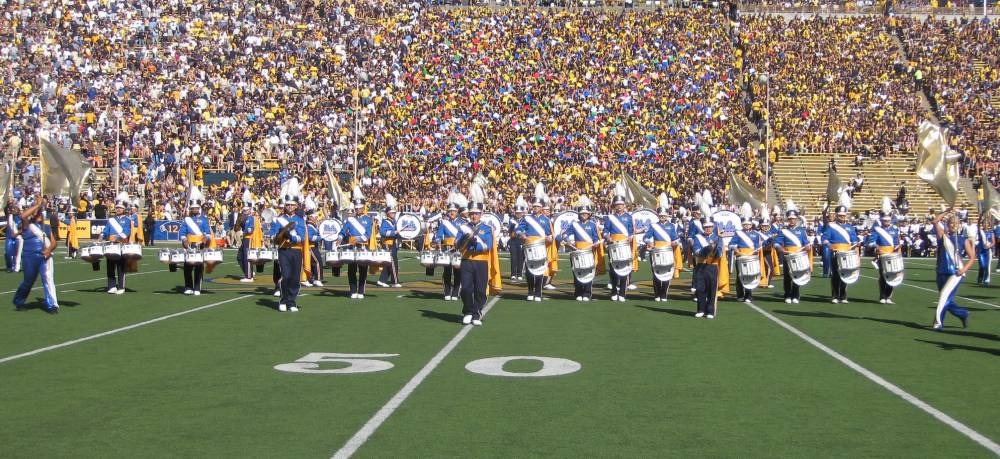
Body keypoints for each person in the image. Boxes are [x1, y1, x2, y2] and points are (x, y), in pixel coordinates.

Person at [13, 197, 58, 314]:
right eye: (37, 213)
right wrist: (38, 205)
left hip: (44, 257)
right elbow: (23, 216)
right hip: (29, 258)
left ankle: (52, 305)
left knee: (48, 279)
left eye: (40, 213)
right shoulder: (27, 225)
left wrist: (49, 249)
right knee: (28, 281)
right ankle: (19, 301)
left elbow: (54, 243)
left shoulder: (47, 228)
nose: (39, 215)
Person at [457, 201, 498, 326]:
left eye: (477, 213)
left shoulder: (487, 228)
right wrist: (463, 242)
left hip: (481, 262)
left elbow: (488, 246)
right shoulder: (463, 227)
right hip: (467, 261)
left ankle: (476, 313)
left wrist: (473, 244)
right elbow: (457, 243)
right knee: (466, 289)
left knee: (480, 290)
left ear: (481, 214)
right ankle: (468, 311)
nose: (474, 216)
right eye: (472, 214)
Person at [931, 211, 975, 330]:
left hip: (955, 273)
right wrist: (946, 211)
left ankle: (938, 323)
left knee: (944, 297)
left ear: (960, 225)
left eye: (956, 223)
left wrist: (963, 269)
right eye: (951, 222)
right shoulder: (943, 236)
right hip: (941, 271)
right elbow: (935, 221)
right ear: (948, 224)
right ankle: (962, 313)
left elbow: (972, 258)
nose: (954, 225)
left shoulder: (963, 240)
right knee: (944, 298)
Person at [271, 179, 307, 312]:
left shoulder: (299, 220)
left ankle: (292, 302)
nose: (290, 207)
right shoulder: (278, 219)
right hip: (284, 250)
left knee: (295, 277)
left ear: (296, 206)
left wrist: (291, 236)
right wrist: (279, 235)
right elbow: (273, 235)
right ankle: (284, 300)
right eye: (288, 205)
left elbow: (302, 237)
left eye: (292, 205)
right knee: (285, 276)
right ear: (284, 205)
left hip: (296, 251)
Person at [559, 197, 600, 302]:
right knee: (577, 271)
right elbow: (565, 234)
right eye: (582, 213)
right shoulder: (574, 224)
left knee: (588, 272)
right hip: (577, 251)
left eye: (586, 213)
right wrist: (568, 241)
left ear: (589, 214)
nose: (584, 215)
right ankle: (578, 292)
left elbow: (596, 238)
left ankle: (587, 293)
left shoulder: (592, 225)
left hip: (588, 251)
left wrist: (595, 244)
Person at [97, 192, 134, 294]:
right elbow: (106, 231)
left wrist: (117, 238)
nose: (118, 209)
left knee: (120, 267)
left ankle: (121, 287)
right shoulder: (111, 220)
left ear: (124, 209)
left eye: (120, 208)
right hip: (110, 246)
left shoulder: (127, 220)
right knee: (110, 266)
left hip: (121, 246)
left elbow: (126, 232)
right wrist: (101, 237)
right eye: (117, 207)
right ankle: (112, 286)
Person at [823, 205, 860, 304]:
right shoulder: (831, 226)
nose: (842, 217)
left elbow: (854, 241)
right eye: (840, 215)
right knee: (835, 275)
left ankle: (843, 296)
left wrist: (856, 252)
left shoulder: (850, 228)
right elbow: (824, 239)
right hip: (836, 253)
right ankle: (835, 296)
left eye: (843, 215)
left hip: (847, 254)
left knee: (846, 274)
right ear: (836, 215)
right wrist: (829, 244)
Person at [178, 187, 212, 296]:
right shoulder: (186, 219)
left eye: (196, 208)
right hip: (189, 245)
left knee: (199, 267)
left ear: (199, 208)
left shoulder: (204, 219)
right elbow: (182, 233)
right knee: (187, 267)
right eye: (193, 208)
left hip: (200, 245)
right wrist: (184, 241)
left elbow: (207, 233)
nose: (194, 210)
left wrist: (205, 239)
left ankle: (197, 287)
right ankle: (188, 286)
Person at [517, 198, 552, 302]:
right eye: (534, 206)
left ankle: (538, 292)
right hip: (529, 247)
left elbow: (550, 234)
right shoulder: (527, 218)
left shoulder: (546, 220)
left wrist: (548, 238)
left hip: (540, 247)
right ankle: (530, 291)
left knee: (540, 270)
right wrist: (521, 234)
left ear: (541, 208)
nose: (536, 208)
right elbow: (518, 229)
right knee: (529, 271)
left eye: (538, 206)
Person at [774, 209, 811, 304]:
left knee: (797, 275)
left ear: (796, 219)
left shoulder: (802, 231)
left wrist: (807, 247)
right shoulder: (783, 231)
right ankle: (787, 295)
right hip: (788, 256)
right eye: (790, 219)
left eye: (793, 219)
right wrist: (781, 249)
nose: (792, 220)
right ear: (788, 219)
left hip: (798, 256)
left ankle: (796, 295)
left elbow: (806, 243)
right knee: (787, 276)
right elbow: (776, 243)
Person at [341, 197, 374, 299]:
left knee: (363, 269)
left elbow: (368, 234)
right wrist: (339, 237)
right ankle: (353, 291)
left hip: (362, 247)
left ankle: (361, 291)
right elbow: (343, 231)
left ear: (363, 207)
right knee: (351, 270)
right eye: (357, 208)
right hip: (351, 247)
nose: (358, 209)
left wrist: (358, 239)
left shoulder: (368, 219)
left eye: (360, 208)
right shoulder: (351, 220)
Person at [603, 195, 634, 302]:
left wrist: (630, 237)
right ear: (614, 206)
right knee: (613, 269)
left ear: (624, 205)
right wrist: (608, 237)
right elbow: (605, 231)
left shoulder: (629, 217)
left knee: (625, 269)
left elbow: (631, 232)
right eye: (617, 205)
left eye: (621, 204)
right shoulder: (610, 218)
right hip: (613, 246)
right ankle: (614, 291)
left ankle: (622, 292)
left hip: (624, 245)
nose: (619, 206)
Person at [644, 206, 679, 302]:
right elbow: (646, 237)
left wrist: (674, 243)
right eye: (661, 215)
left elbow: (676, 239)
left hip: (667, 251)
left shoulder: (671, 226)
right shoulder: (653, 226)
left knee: (667, 272)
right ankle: (657, 294)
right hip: (656, 251)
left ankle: (663, 293)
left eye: (664, 215)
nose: (662, 217)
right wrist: (649, 242)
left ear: (667, 216)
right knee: (656, 272)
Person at [433, 200, 465, 301]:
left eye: (454, 211)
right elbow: (438, 236)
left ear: (457, 212)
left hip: (458, 250)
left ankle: (456, 292)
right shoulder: (444, 222)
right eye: (450, 211)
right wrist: (438, 244)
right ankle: (447, 292)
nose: (452, 213)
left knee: (457, 271)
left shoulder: (463, 222)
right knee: (447, 271)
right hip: (447, 249)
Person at [868, 211, 902, 303]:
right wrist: (876, 247)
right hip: (882, 255)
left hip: (892, 255)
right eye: (884, 221)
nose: (886, 222)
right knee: (883, 275)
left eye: (888, 221)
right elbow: (871, 242)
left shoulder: (894, 230)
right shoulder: (877, 230)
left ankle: (888, 296)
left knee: (893, 274)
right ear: (882, 221)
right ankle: (882, 296)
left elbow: (896, 243)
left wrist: (898, 249)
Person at [729, 217, 763, 303]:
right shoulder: (738, 233)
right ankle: (740, 295)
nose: (746, 225)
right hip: (740, 257)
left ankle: (748, 295)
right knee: (740, 276)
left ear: (751, 225)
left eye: (748, 224)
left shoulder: (756, 234)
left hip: (751, 258)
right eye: (745, 224)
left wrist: (756, 250)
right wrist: (736, 250)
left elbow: (758, 246)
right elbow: (731, 244)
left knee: (750, 275)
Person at [691, 219, 720, 319]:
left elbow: (720, 252)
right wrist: (707, 249)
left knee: (712, 289)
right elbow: (696, 251)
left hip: (712, 266)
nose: (708, 229)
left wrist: (714, 251)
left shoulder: (717, 237)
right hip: (701, 265)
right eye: (706, 227)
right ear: (703, 228)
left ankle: (710, 311)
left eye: (710, 227)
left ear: (713, 227)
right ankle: (700, 310)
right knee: (700, 289)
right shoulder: (698, 237)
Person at [377, 195, 402, 288]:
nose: (393, 214)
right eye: (392, 213)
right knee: (393, 263)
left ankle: (381, 280)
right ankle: (395, 282)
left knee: (389, 263)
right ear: (388, 213)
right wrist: (394, 232)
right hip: (388, 244)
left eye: (394, 213)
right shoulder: (385, 222)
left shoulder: (394, 221)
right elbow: (383, 232)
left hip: (393, 244)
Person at [236, 195, 262, 282]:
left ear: (250, 209)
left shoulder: (251, 218)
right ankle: (249, 272)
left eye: (246, 209)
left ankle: (248, 276)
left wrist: (244, 232)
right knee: (240, 257)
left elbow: (250, 229)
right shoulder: (245, 217)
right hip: (245, 238)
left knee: (247, 257)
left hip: (249, 238)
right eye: (244, 209)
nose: (244, 211)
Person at [303, 197, 323, 287]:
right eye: (314, 216)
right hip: (310, 247)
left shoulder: (313, 225)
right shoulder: (308, 226)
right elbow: (311, 238)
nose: (316, 218)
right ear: (310, 217)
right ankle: (317, 279)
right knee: (317, 262)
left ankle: (312, 278)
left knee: (313, 263)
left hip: (313, 246)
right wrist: (320, 237)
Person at [508, 197, 527, 281]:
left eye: (520, 213)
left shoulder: (525, 220)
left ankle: (519, 274)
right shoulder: (511, 219)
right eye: (517, 212)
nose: (518, 214)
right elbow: (510, 230)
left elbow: (525, 230)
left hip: (521, 240)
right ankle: (513, 274)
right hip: (513, 240)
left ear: (522, 213)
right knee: (514, 258)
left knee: (521, 257)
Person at [975, 215, 994, 287]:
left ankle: (986, 280)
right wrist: (980, 218)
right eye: (984, 223)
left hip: (988, 251)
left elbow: (993, 242)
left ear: (988, 225)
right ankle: (980, 278)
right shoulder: (980, 232)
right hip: (981, 251)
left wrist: (989, 246)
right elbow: (978, 225)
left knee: (987, 266)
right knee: (982, 266)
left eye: (986, 223)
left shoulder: (991, 233)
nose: (985, 225)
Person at [5, 201, 22, 272]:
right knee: (8, 252)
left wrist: (17, 233)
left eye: (14, 209)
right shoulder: (9, 216)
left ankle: (16, 266)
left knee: (18, 253)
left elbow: (23, 228)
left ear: (18, 210)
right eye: (12, 209)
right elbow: (6, 208)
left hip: (18, 238)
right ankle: (9, 266)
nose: (13, 210)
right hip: (9, 237)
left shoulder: (21, 218)